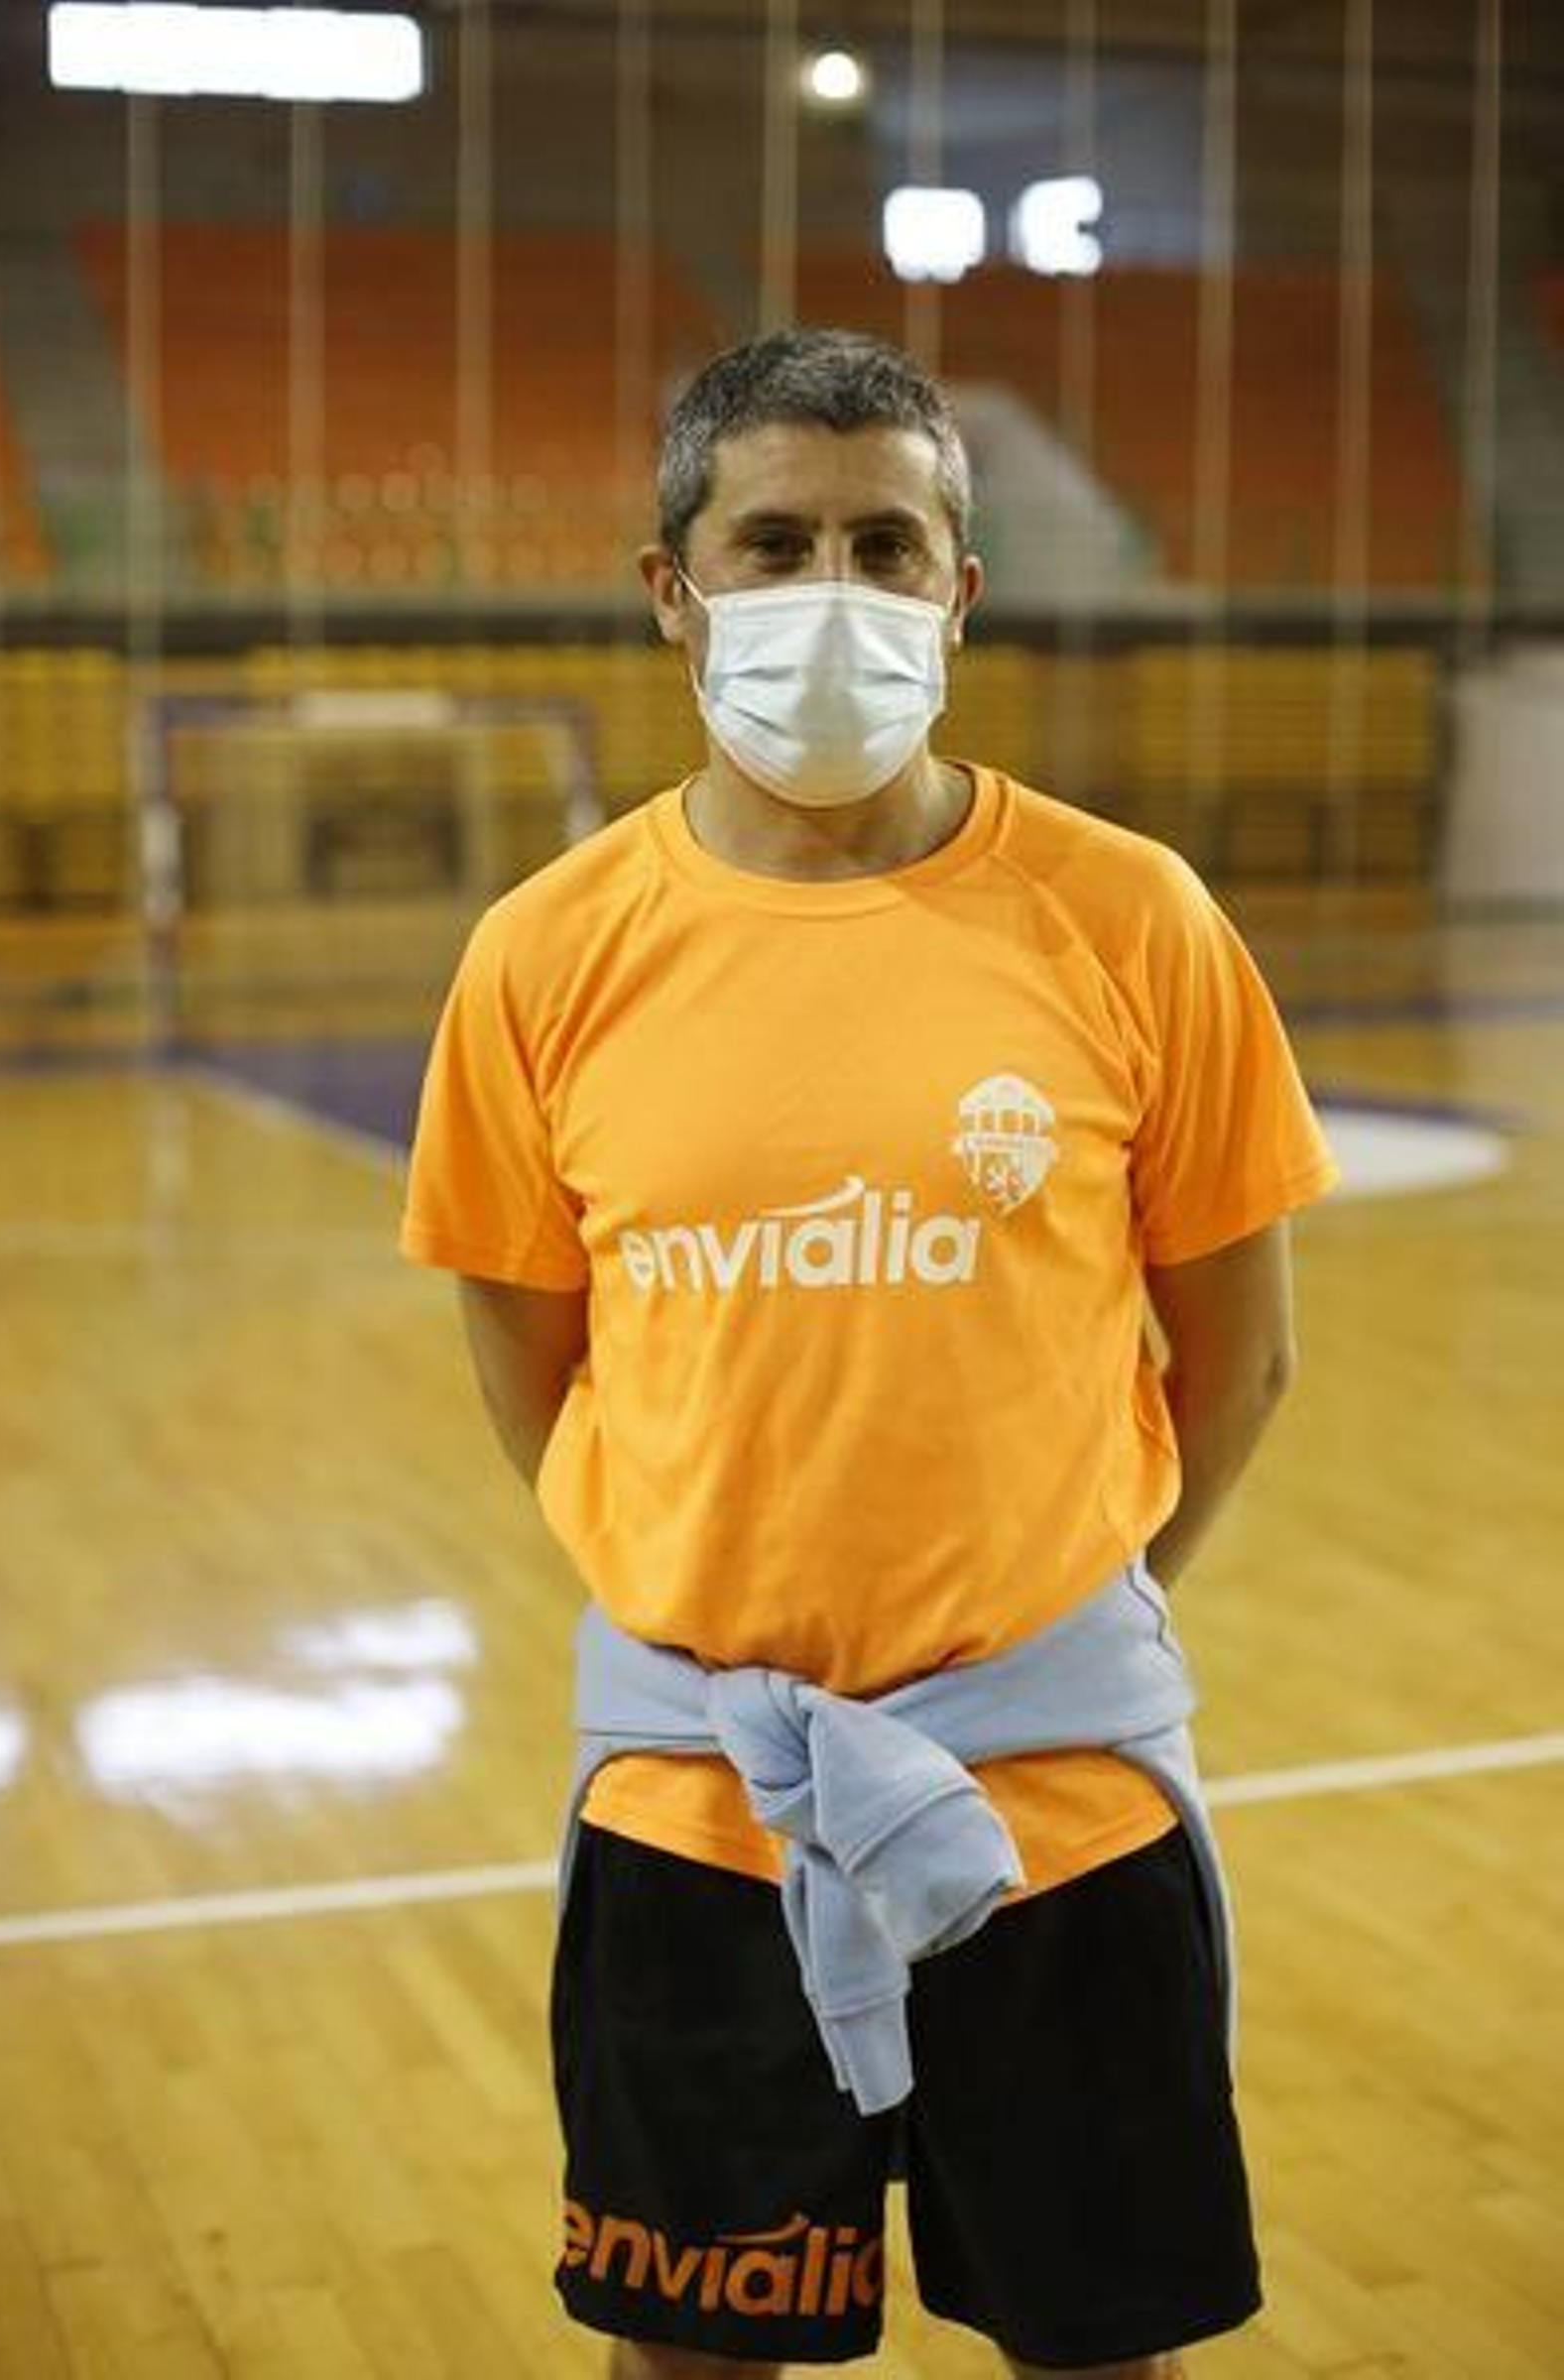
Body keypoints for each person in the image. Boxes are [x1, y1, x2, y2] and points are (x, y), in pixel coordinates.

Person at [400, 326, 1339, 2380]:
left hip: (1061, 1806)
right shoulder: (544, 953)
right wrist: (710, 1590)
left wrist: (1065, 1632)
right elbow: (526, 1353)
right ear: (674, 587)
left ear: (956, 592)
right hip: (692, 1809)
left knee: (1102, 2349)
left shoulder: (1133, 918)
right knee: (690, 2359)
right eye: (773, 539)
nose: (830, 588)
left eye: (884, 543)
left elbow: (1234, 1359)